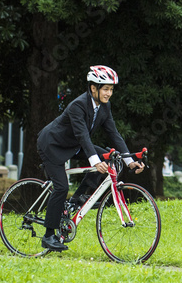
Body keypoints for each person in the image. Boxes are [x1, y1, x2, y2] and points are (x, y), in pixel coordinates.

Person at [36, 65, 144, 252]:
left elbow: (114, 133)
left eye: (111, 89)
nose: (109, 93)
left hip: (73, 145)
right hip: (52, 145)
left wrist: (129, 160)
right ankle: (48, 236)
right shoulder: (77, 105)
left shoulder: (104, 106)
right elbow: (82, 136)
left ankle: (77, 199)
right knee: (61, 186)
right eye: (106, 89)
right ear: (93, 88)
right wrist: (95, 161)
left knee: (112, 159)